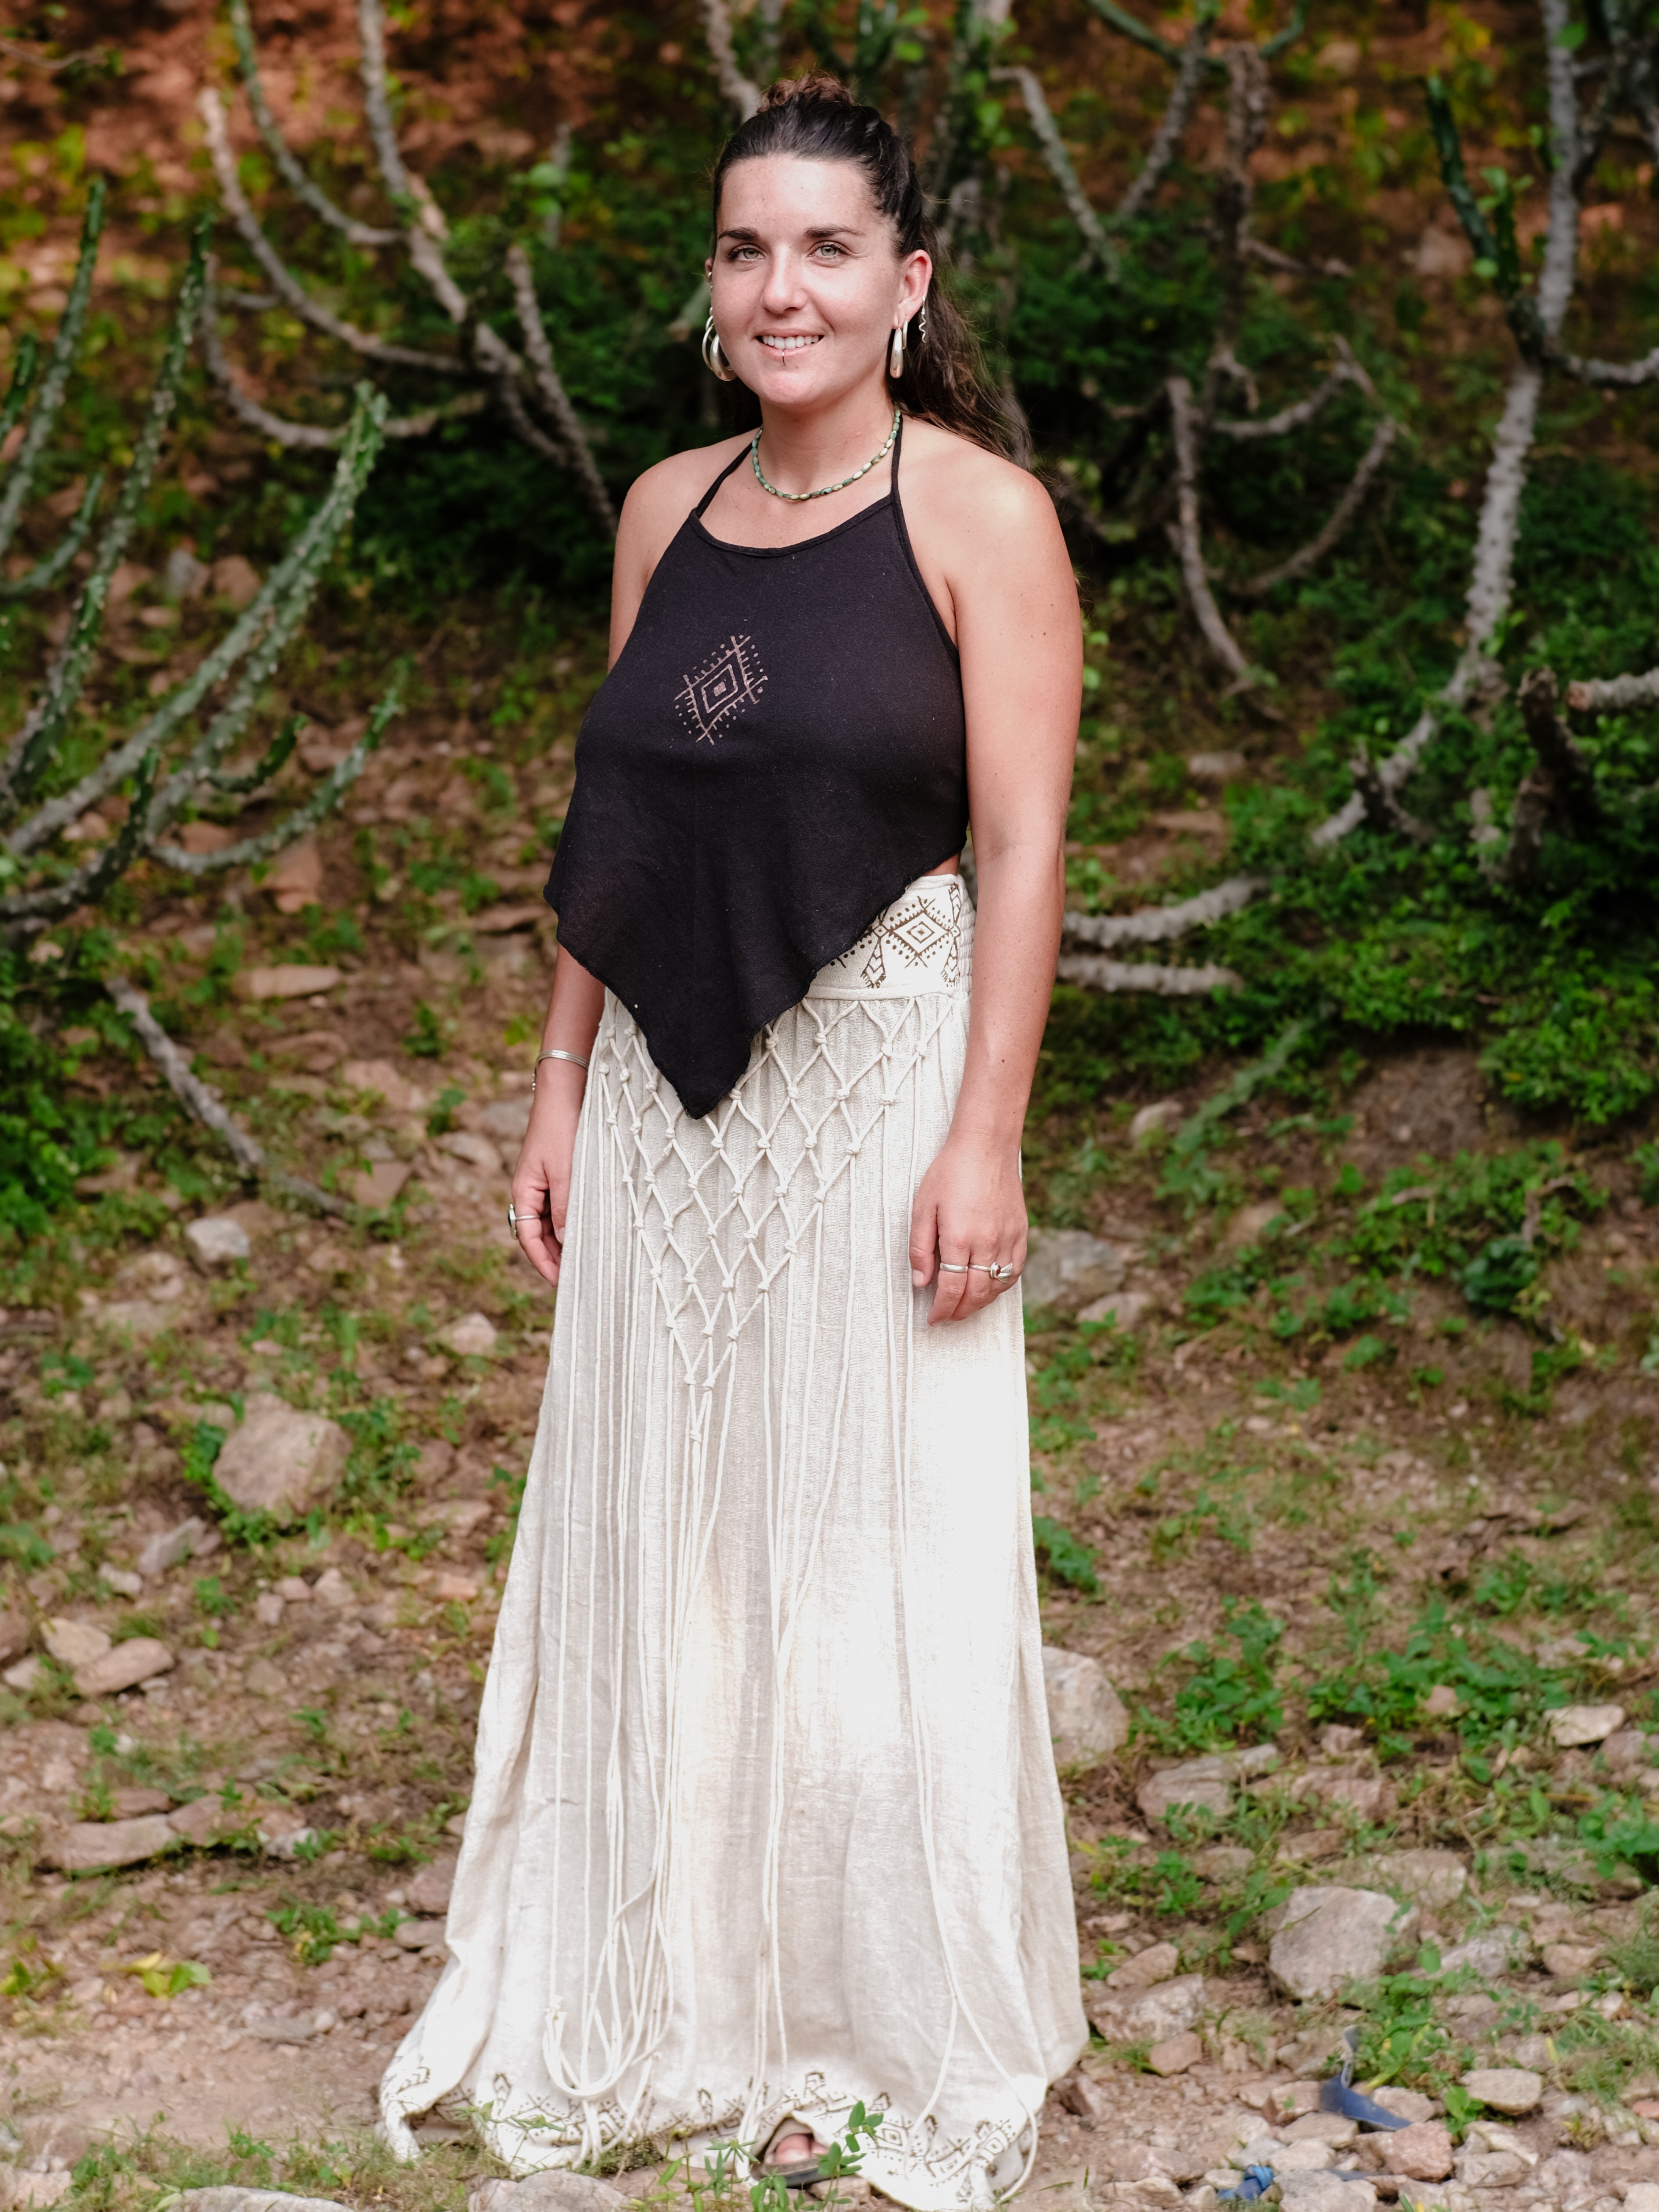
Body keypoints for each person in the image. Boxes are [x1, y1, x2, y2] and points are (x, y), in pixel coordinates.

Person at [380, 75, 1085, 2212]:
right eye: (746, 247)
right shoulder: (663, 507)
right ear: (714, 279)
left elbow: (1024, 848)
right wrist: (558, 1079)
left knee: (864, 1541)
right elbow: (622, 819)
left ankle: (865, 2029)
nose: (783, 289)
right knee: (669, 1533)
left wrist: (987, 1135)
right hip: (667, 1118)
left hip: (881, 1089)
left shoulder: (979, 517)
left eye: (828, 250)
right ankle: (667, 1988)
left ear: (907, 282)